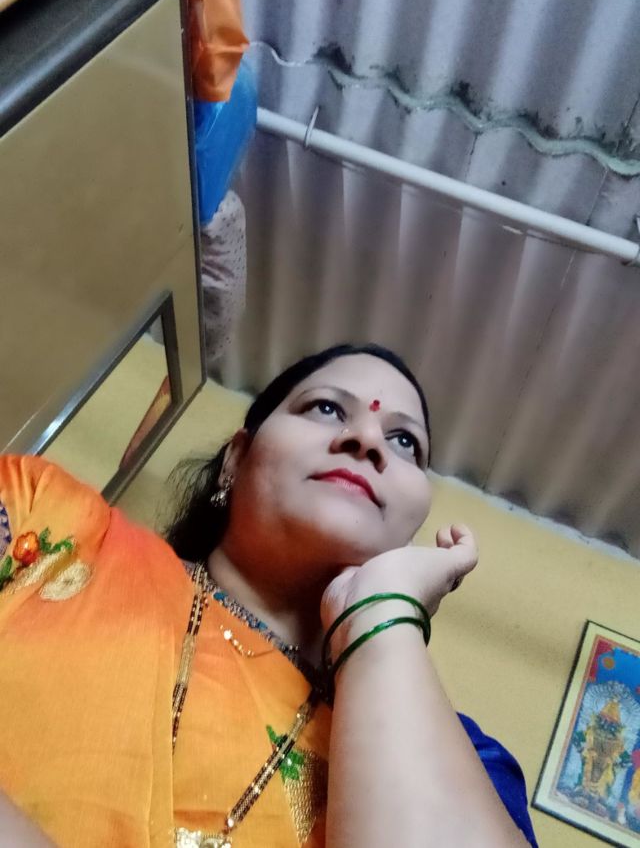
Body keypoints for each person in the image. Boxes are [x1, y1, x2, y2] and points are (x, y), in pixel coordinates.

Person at [0, 343, 537, 847]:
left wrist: (380, 612)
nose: (368, 441)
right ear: (236, 458)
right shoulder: (44, 514)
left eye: (404, 442)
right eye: (327, 408)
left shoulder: (465, 759)